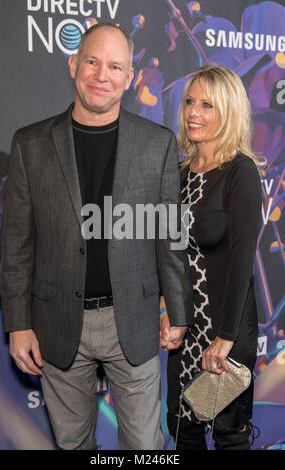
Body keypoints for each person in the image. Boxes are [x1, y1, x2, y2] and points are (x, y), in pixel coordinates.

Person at [0, 23, 193, 450]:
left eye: (114, 66)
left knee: (145, 447)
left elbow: (169, 236)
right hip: (56, 322)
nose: (101, 74)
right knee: (72, 444)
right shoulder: (30, 144)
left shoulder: (157, 144)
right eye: (92, 61)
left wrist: (175, 308)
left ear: (129, 76)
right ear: (73, 64)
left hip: (136, 320)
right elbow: (16, 244)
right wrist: (17, 323)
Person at [160, 64, 263, 450]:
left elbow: (242, 262)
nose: (193, 113)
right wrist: (166, 307)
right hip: (186, 331)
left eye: (207, 105)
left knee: (227, 437)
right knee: (184, 431)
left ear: (228, 112)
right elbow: (169, 253)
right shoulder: (179, 172)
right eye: (190, 102)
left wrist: (226, 337)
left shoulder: (241, 172)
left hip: (225, 330)